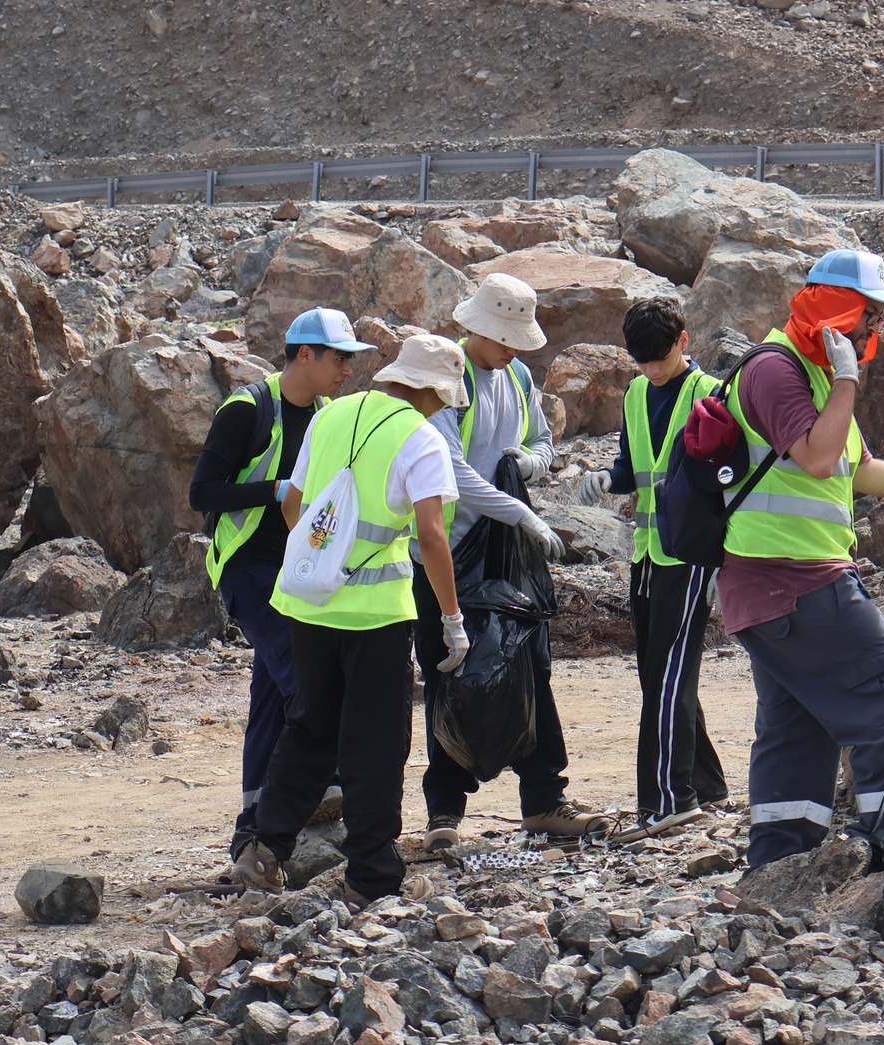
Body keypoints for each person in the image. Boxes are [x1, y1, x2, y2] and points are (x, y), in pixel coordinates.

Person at [721, 248, 884, 869]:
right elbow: (815, 458)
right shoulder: (777, 371)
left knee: (797, 720)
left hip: (775, 585)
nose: (876, 328)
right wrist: (847, 379)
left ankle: (780, 863)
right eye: (871, 313)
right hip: (792, 580)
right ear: (838, 309)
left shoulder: (812, 374)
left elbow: (854, 467)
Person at [230, 333, 471, 902]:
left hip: (309, 605)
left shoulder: (332, 416)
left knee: (309, 727)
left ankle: (264, 850)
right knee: (378, 743)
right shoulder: (422, 438)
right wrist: (453, 619)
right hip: (377, 616)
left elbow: (294, 500)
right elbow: (432, 539)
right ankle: (372, 874)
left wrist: (320, 559)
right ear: (434, 391)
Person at [418, 273, 609, 849]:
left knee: (531, 669)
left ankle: (544, 800)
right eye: (504, 341)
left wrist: (531, 462)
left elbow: (546, 441)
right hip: (448, 552)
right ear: (474, 328)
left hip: (505, 556)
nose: (510, 352)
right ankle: (444, 815)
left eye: (516, 343)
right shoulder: (448, 379)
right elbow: (450, 470)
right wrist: (522, 514)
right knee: (448, 674)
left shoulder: (518, 375)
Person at [190, 306, 358, 863]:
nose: (347, 371)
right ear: (304, 354)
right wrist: (276, 487)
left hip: (298, 571)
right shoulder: (246, 410)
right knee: (303, 676)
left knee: (270, 695)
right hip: (248, 569)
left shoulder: (332, 414)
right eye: (339, 358)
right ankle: (324, 786)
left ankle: (252, 828)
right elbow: (203, 494)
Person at [576, 298, 728, 826]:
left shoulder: (710, 395)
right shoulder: (638, 392)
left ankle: (669, 801)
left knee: (667, 675)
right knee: (659, 676)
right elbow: (630, 466)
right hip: (647, 554)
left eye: (658, 359)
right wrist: (606, 479)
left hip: (690, 556)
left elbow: (725, 479)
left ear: (684, 342)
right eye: (641, 361)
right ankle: (707, 784)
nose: (651, 370)